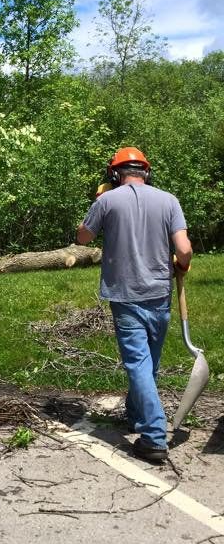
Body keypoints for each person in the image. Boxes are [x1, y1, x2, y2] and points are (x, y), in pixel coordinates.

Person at [76, 147, 192, 463]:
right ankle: (135, 413)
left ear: (114, 174)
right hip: (159, 294)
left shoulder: (106, 201)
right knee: (148, 365)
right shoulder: (169, 200)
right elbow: (184, 249)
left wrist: (98, 202)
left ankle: (154, 437)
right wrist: (181, 266)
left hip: (125, 295)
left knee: (139, 365)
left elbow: (83, 238)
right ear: (146, 172)